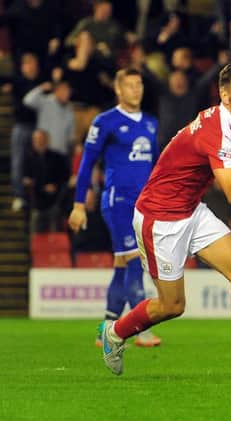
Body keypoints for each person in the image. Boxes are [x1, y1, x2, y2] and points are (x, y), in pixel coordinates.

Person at [96, 60, 231, 380]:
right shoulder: (216, 130)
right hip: (159, 219)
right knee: (172, 306)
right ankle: (115, 333)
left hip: (191, 210)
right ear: (224, 95)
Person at [68, 68, 161, 348]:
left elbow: (156, 167)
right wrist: (79, 204)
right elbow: (87, 163)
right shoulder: (105, 122)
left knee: (123, 265)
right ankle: (140, 329)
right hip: (118, 202)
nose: (136, 90)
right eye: (130, 85)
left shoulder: (150, 123)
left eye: (139, 84)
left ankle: (106, 329)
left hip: (143, 205)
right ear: (119, 90)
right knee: (134, 261)